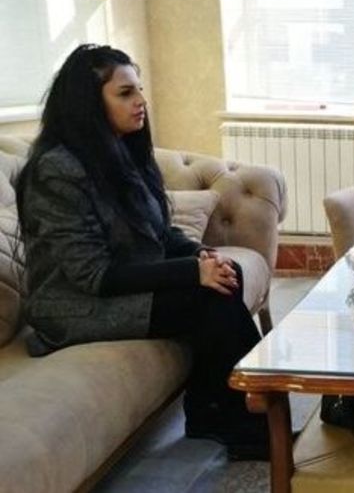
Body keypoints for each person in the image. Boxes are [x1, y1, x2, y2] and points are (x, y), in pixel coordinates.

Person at [15, 44, 268, 460]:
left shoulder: (120, 152)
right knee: (209, 296)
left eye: (139, 90)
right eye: (125, 93)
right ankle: (239, 418)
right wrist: (192, 273)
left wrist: (202, 255)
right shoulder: (56, 170)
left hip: (123, 285)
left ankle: (227, 410)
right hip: (76, 305)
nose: (141, 102)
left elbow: (159, 232)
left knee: (225, 276)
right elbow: (92, 274)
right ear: (88, 103)